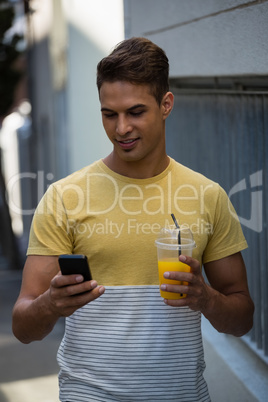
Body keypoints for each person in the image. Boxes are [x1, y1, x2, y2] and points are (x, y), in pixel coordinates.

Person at [12, 37, 254, 402]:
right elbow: (23, 326)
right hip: (89, 394)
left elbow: (242, 319)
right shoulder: (64, 197)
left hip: (181, 395)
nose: (121, 128)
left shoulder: (207, 196)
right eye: (109, 114)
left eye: (135, 112)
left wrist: (205, 298)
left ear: (166, 104)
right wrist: (50, 304)